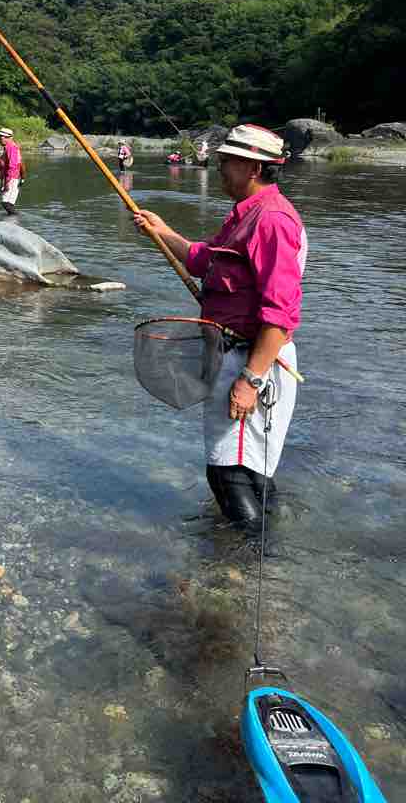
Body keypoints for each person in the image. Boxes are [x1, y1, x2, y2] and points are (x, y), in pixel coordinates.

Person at [133, 124, 307, 526]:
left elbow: (279, 313)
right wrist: (163, 233)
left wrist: (251, 379)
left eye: (226, 161)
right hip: (235, 354)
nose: (220, 168)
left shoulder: (272, 221)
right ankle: (259, 550)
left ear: (252, 166)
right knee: (252, 472)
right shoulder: (245, 214)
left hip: (253, 360)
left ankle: (244, 567)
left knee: (228, 472)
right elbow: (203, 260)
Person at [0, 128, 26, 216]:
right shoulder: (7, 148)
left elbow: (13, 166)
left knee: (7, 204)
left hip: (12, 178)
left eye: (1, 138)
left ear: (9, 138)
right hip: (8, 178)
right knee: (7, 204)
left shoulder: (12, 148)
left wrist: (6, 183)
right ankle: (11, 220)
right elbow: (3, 161)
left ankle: (16, 219)